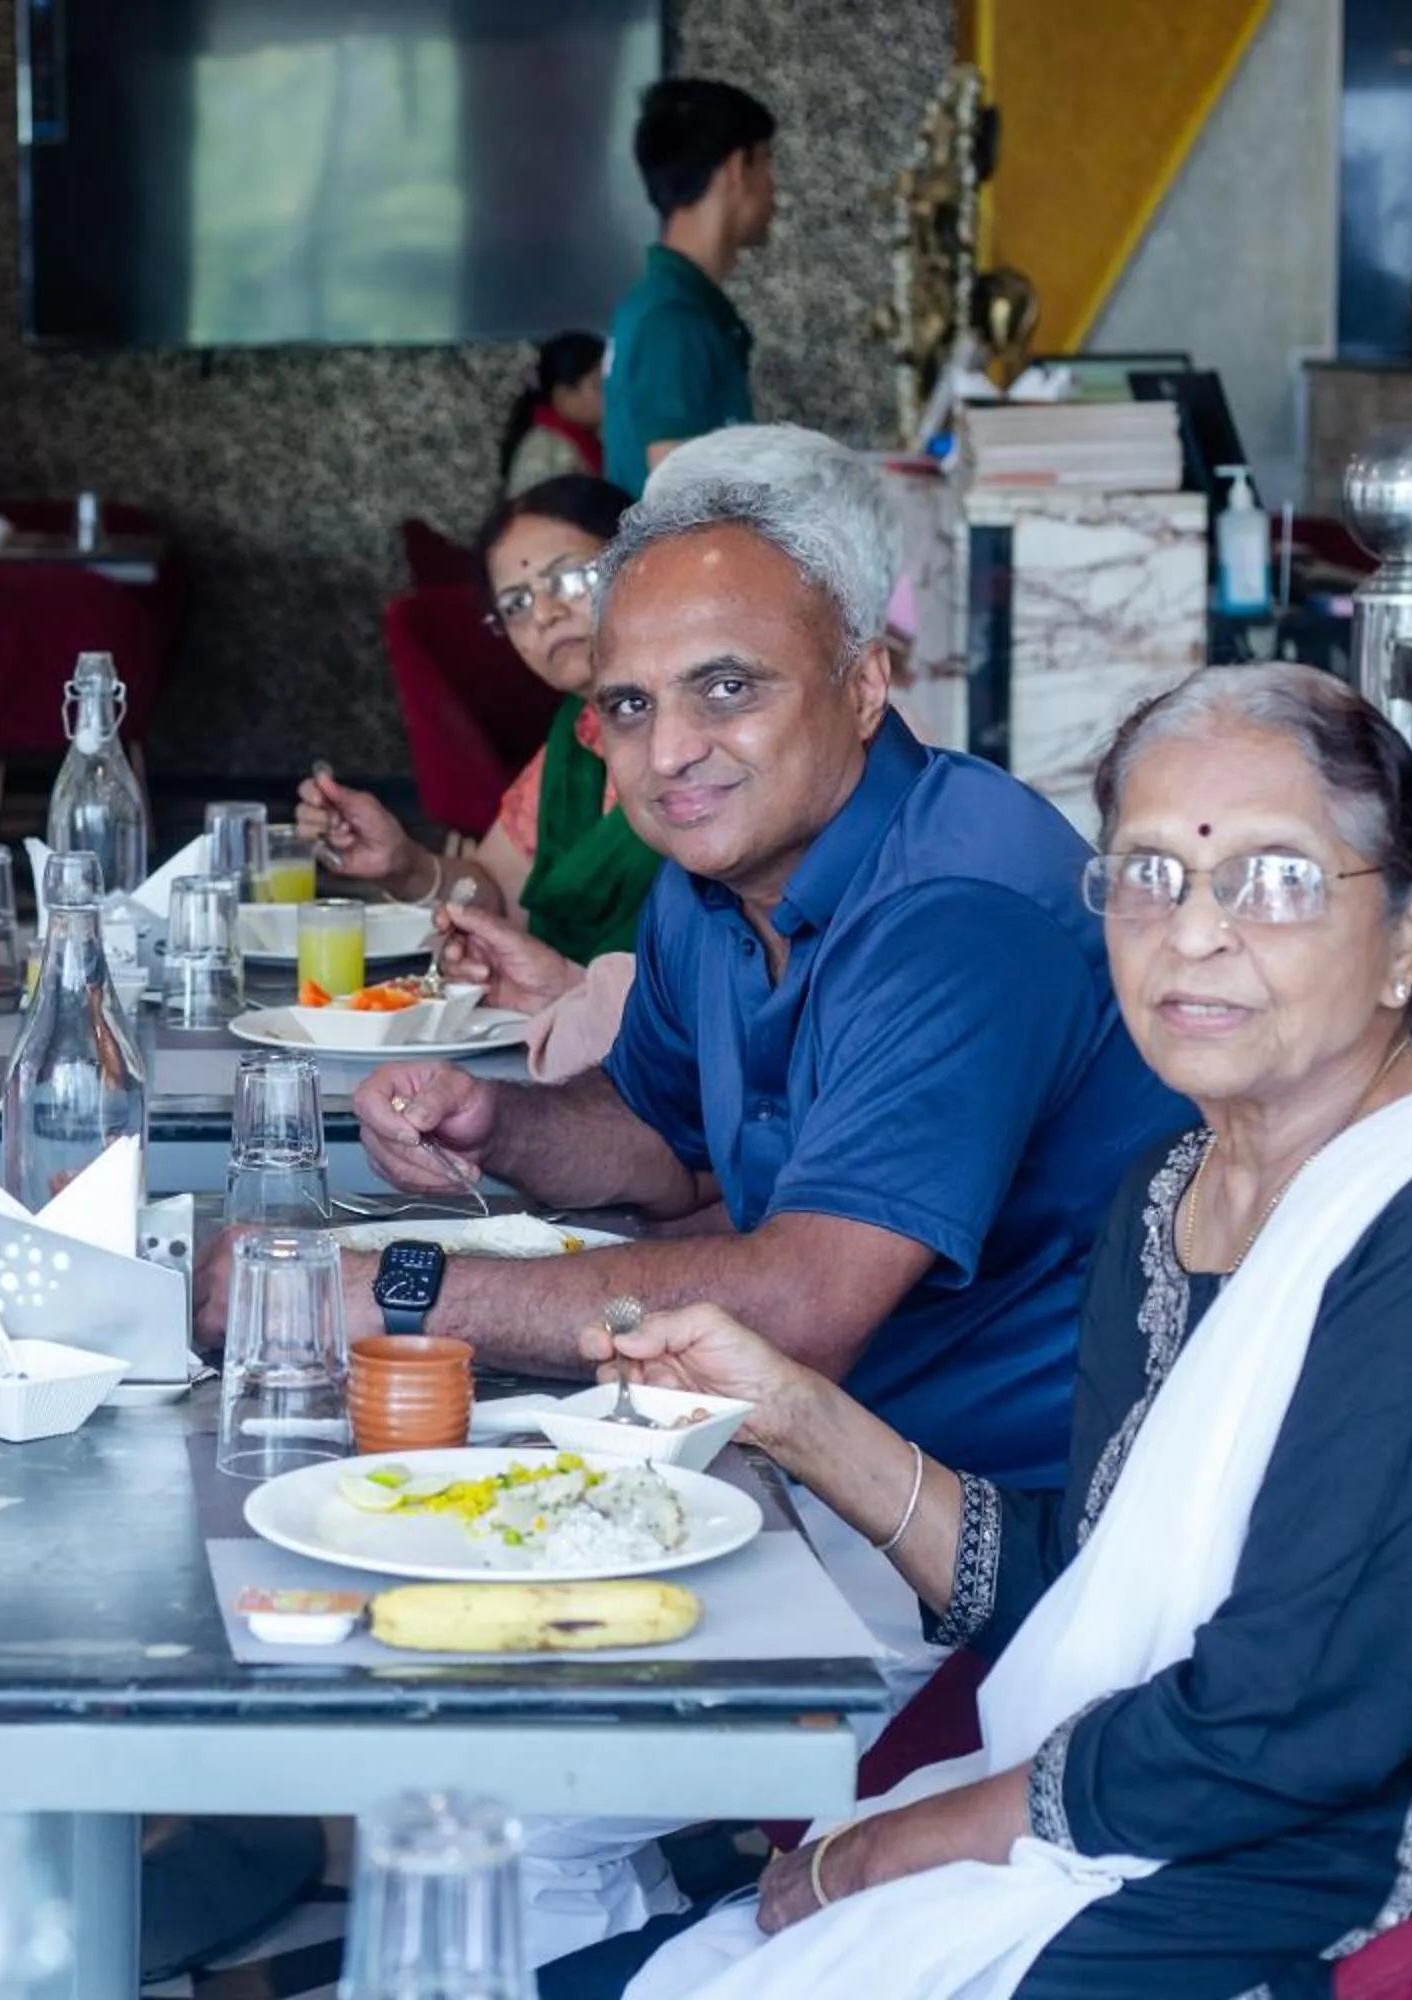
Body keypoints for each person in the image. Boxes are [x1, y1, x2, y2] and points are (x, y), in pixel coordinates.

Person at [569, 667, 1412, 2000]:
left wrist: (886, 1851)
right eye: (1148, 876)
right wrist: (794, 1412)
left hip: (1318, 1883)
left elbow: (1294, 1719)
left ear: (1407, 931)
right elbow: (1086, 1596)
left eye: (1275, 881)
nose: (1194, 936)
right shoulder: (1173, 1189)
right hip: (1139, 1813)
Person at [305, 426, 1191, 1495]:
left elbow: (802, 1308)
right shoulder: (710, 878)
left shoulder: (959, 915)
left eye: (727, 688)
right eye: (631, 704)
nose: (670, 750)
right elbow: (666, 1145)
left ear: (864, 685)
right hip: (783, 1452)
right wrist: (504, 1124)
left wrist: (401, 1290)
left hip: (986, 1516)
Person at [298, 474, 656, 1080]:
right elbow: (494, 891)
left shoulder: (701, 734)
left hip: (679, 1065)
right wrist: (403, 862)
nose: (544, 614)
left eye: (570, 578)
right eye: (515, 604)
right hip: (567, 1052)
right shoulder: (578, 737)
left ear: (645, 566)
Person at [602, 79, 774, 498]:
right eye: (767, 163)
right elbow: (681, 498)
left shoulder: (668, 305)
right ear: (738, 168)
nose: (774, 188)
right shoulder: (671, 320)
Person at [500, 332, 608, 492]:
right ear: (563, 394)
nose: (610, 395)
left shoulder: (577, 442)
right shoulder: (549, 452)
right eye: (598, 386)